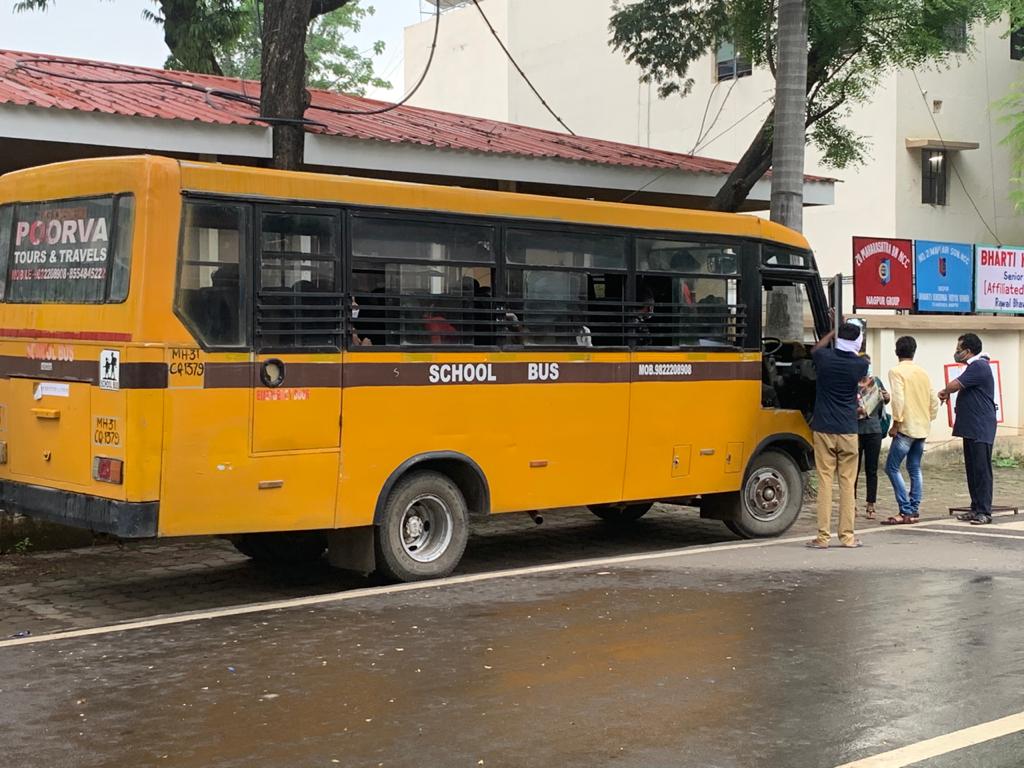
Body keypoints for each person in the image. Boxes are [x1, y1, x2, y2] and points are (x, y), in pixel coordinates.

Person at [807, 318, 869, 549]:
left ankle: (823, 537)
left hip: (823, 426)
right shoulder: (860, 365)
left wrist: (832, 332)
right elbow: (859, 357)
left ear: (837, 339)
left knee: (825, 481)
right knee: (847, 483)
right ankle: (847, 536)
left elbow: (815, 349)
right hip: (848, 429)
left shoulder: (824, 358)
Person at [938, 333, 998, 525]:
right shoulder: (973, 367)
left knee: (981, 470)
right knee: (972, 470)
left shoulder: (979, 366)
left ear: (968, 351)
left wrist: (945, 391)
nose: (956, 353)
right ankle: (975, 508)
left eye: (959, 350)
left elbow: (954, 385)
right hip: (971, 427)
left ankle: (984, 511)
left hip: (980, 427)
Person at [882, 336, 939, 525]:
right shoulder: (923, 372)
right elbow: (933, 400)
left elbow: (898, 400)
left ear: (896, 351)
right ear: (914, 352)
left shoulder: (896, 372)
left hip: (906, 428)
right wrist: (928, 418)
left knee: (891, 467)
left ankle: (905, 510)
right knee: (914, 468)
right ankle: (913, 509)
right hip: (922, 427)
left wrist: (896, 424)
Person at [856, 354, 890, 520]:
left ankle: (871, 504)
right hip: (855, 430)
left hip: (874, 430)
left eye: (868, 365)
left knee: (872, 469)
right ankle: (851, 503)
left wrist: (887, 397)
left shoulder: (876, 382)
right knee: (853, 470)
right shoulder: (851, 384)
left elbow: (885, 401)